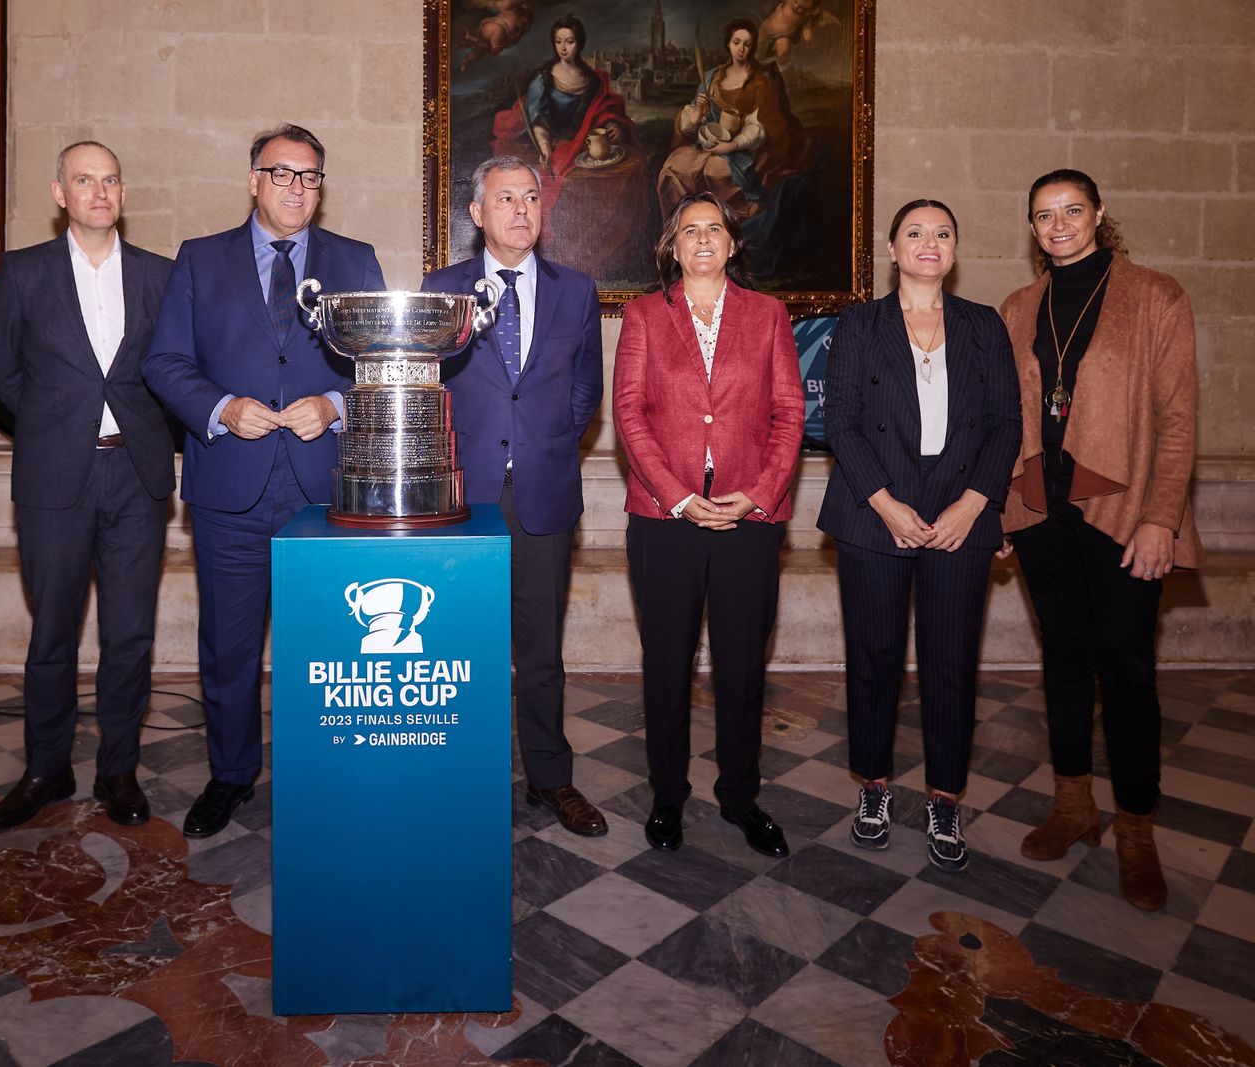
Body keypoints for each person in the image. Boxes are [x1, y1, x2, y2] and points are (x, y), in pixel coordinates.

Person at [143, 124, 385, 839]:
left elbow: (385, 364)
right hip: (230, 487)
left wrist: (334, 405)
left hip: (325, 488)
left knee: (330, 645)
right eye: (281, 174)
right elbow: (165, 363)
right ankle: (231, 774)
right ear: (253, 180)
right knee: (229, 644)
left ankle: (325, 773)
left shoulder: (355, 259)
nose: (296, 188)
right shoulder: (199, 260)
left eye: (309, 176)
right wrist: (221, 407)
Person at [1000, 169, 1202, 911]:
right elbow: (1003, 420)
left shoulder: (1155, 295)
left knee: (1126, 667)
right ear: (1031, 226)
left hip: (1122, 512)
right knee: (1062, 656)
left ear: (1099, 214)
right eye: (1044, 215)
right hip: (1043, 513)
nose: (1058, 225)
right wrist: (1002, 511)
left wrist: (1162, 517)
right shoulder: (1020, 307)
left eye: (1071, 211)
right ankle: (1073, 803)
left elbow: (1179, 419)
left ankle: (1136, 828)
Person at [817, 200, 1021, 871]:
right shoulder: (861, 324)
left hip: (961, 516)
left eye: (941, 233)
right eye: (915, 233)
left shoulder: (983, 326)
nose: (928, 243)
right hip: (875, 512)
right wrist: (886, 504)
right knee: (873, 656)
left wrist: (973, 504)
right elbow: (841, 422)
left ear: (955, 248)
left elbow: (1006, 425)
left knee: (951, 661)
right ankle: (873, 786)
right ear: (892, 247)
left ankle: (944, 796)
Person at [0, 142, 176, 833]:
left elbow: (177, 370)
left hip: (137, 473)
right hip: (54, 472)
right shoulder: (24, 272)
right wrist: (50, 425)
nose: (99, 192)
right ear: (59, 191)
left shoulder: (160, 275)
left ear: (123, 192)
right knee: (52, 632)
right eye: (84, 180)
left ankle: (118, 767)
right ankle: (46, 768)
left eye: (111, 180)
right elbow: (0, 374)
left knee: (129, 632)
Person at [612, 192, 803, 856]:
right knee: (667, 661)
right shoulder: (643, 316)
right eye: (688, 230)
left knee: (742, 664)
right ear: (671, 246)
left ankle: (741, 796)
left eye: (713, 229)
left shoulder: (769, 314)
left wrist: (758, 493)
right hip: (666, 521)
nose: (701, 239)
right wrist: (677, 496)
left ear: (732, 244)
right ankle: (669, 794)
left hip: (750, 519)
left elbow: (788, 412)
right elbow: (629, 416)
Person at [421, 156, 606, 837]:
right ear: (478, 213)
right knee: (458, 644)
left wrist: (551, 439)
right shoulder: (442, 289)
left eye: (531, 197)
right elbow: (425, 385)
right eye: (505, 198)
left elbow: (587, 387)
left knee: (541, 650)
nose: (522, 209)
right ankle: (460, 774)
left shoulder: (575, 291)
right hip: (462, 495)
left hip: (543, 493)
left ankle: (551, 779)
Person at [491, 16, 650, 282]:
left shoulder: (593, 80)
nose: (564, 48)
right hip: (549, 144)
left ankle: (614, 253)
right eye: (558, 42)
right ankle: (570, 256)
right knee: (563, 181)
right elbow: (537, 117)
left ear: (580, 44)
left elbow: (603, 112)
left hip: (583, 144)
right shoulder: (544, 78)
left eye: (570, 41)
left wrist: (612, 126)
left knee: (626, 171)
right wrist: (544, 145)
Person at [657, 17, 813, 224]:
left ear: (753, 47)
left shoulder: (759, 83)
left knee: (715, 171)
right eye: (736, 42)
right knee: (674, 167)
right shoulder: (712, 77)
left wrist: (729, 146)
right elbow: (691, 125)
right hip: (706, 144)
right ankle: (681, 225)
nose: (741, 49)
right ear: (728, 44)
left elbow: (758, 127)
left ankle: (727, 223)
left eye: (747, 44)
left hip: (741, 151)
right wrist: (697, 115)